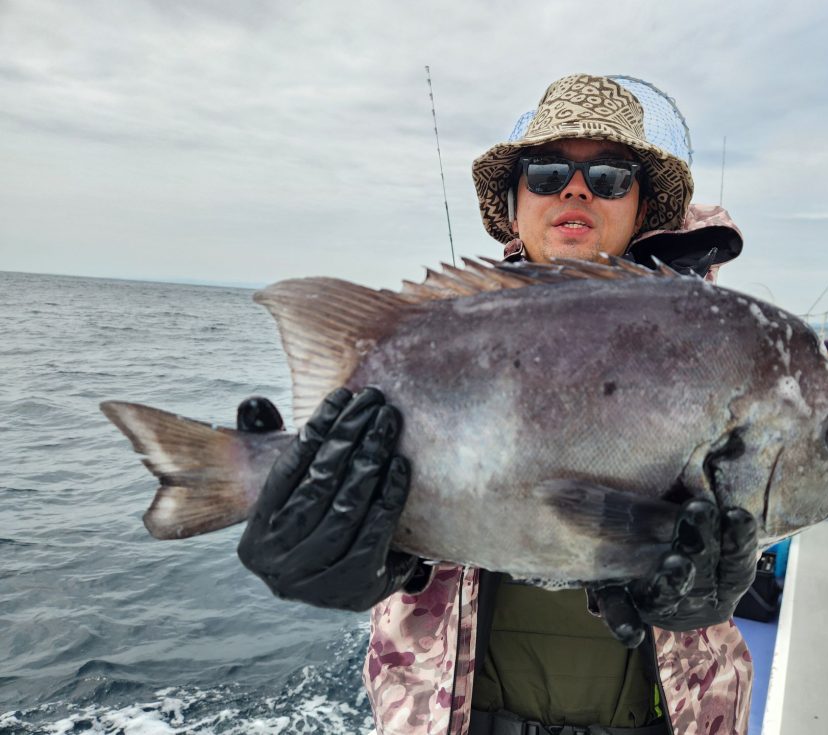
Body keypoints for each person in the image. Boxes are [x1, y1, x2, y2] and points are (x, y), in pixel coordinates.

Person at [236, 74, 759, 735]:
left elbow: (769, 489)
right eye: (545, 172)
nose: (575, 189)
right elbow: (395, 496)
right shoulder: (438, 337)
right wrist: (340, 554)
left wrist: (724, 581)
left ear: (644, 205)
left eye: (609, 174)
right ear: (514, 205)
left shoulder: (719, 347)